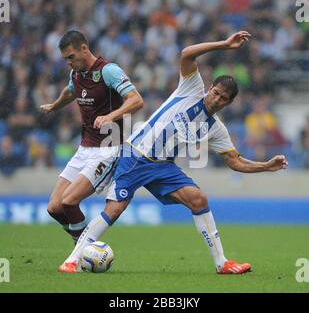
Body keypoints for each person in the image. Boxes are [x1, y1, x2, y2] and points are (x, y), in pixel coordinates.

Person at [58, 31, 288, 274]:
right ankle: (72, 260)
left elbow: (235, 160)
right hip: (136, 155)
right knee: (115, 209)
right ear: (209, 88)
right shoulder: (191, 87)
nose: (217, 99)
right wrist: (224, 44)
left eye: (224, 99)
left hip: (163, 166)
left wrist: (265, 166)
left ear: (228, 104)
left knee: (199, 199)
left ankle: (222, 263)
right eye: (216, 92)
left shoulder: (216, 128)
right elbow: (187, 53)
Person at [40, 30, 143, 243]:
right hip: (84, 148)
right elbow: (70, 92)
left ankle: (83, 251)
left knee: (69, 202)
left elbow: (136, 100)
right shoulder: (76, 74)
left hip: (108, 149)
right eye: (65, 59)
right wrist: (54, 106)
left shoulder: (108, 71)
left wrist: (110, 116)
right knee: (54, 207)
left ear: (84, 49)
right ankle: (89, 246)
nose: (69, 63)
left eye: (71, 57)